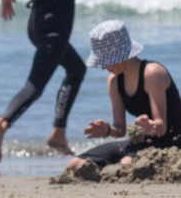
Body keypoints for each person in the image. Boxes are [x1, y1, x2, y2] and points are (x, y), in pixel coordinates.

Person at [0, 0, 87, 164]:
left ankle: (59, 133)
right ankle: (2, 124)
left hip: (38, 24)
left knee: (76, 69)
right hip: (54, 29)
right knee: (34, 86)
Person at [66, 20, 181, 170]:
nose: (103, 67)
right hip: (140, 142)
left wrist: (149, 126)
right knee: (75, 165)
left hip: (171, 142)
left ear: (121, 55)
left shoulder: (152, 73)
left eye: (107, 61)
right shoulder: (114, 82)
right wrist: (108, 130)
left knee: (125, 164)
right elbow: (120, 130)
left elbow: (161, 128)